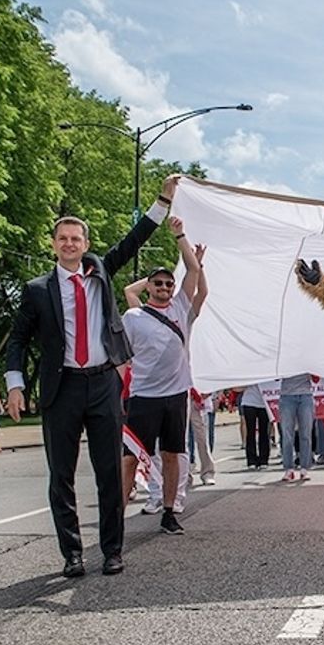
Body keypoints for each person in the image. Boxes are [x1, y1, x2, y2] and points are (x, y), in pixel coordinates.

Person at [5, 176, 176, 577]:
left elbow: (134, 240)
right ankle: (72, 555)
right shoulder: (36, 290)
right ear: (54, 244)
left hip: (102, 383)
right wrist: (14, 385)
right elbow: (16, 339)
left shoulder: (99, 270)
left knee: (108, 472)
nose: (69, 244)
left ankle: (112, 550)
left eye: (75, 238)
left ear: (85, 243)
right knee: (61, 475)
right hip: (61, 387)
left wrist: (163, 200)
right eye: (62, 238)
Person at [120, 217, 201, 536]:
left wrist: (180, 235)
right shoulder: (133, 316)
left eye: (169, 283)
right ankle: (116, 514)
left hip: (175, 397)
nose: (165, 288)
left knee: (172, 456)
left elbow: (193, 271)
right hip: (142, 398)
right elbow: (122, 359)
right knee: (130, 459)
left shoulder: (181, 306)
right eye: (159, 284)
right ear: (149, 287)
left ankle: (169, 512)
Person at [278, 373, 315, 483]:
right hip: (286, 396)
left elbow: (316, 378)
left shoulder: (307, 357)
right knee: (287, 435)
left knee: (306, 434)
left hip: (305, 395)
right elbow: (275, 375)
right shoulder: (283, 356)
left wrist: (312, 371)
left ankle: (304, 468)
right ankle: (289, 469)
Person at [240, 384, 271, 469]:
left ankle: (264, 459)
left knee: (264, 431)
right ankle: (251, 460)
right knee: (250, 432)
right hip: (249, 402)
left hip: (264, 402)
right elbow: (236, 388)